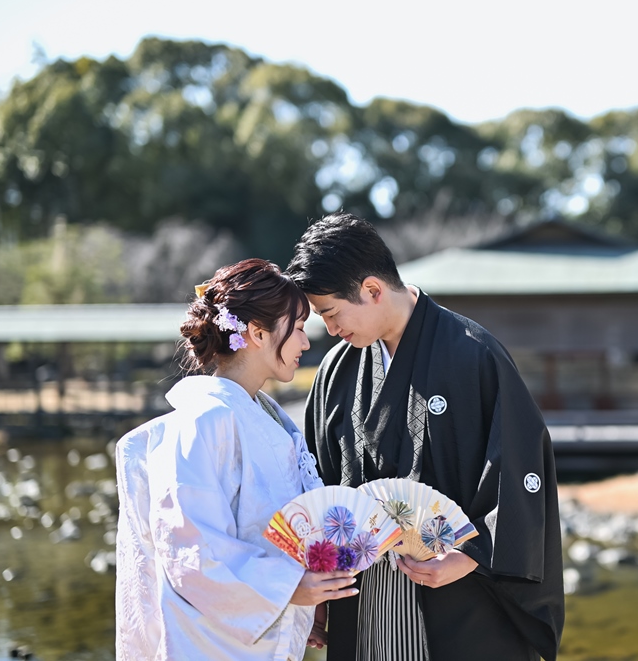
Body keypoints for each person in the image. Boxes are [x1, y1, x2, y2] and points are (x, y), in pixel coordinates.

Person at [288, 214, 565, 661]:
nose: (330, 330)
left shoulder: (474, 354)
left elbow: (520, 471)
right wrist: (321, 591)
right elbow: (318, 489)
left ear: (373, 290)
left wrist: (468, 556)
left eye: (332, 314)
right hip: (364, 597)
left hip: (458, 591)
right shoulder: (336, 373)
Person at [115, 258, 358, 661]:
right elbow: (192, 550)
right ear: (258, 333)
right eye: (297, 329)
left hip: (258, 634)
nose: (306, 342)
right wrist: (289, 587)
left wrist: (300, 603)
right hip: (212, 645)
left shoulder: (264, 416)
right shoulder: (205, 421)